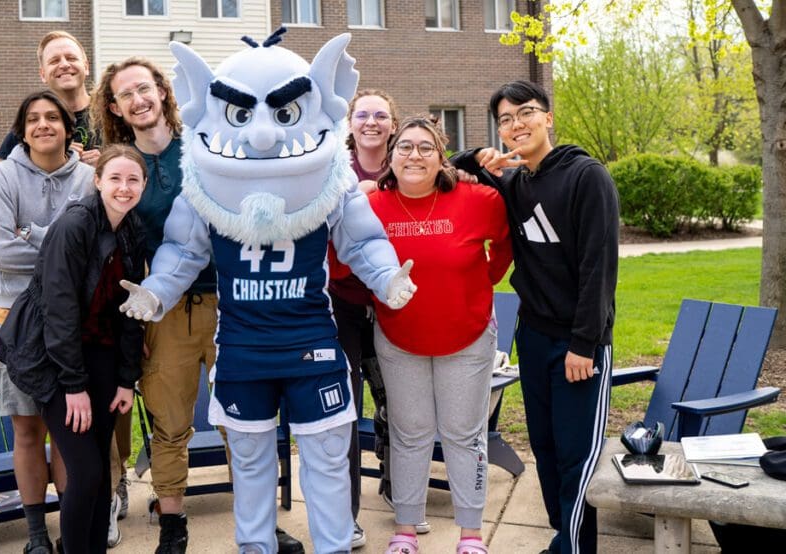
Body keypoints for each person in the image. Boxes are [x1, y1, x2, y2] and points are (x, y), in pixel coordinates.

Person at [119, 31, 417, 554]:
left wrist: (388, 278)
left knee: (325, 460)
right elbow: (182, 252)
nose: (260, 136)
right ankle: (255, 546)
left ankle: (331, 545)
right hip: (242, 347)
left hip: (312, 345)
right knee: (252, 463)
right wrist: (155, 293)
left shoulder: (332, 176)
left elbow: (363, 239)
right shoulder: (202, 181)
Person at [89, 57, 305, 554]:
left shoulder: (210, 145)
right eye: (126, 94)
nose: (139, 99)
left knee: (245, 422)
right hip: (164, 309)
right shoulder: (119, 168)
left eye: (145, 88)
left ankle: (261, 523)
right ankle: (173, 523)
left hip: (233, 302)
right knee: (169, 422)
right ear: (115, 107)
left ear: (162, 92)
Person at [452, 80, 619, 554]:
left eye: (525, 113)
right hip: (535, 336)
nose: (516, 124)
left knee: (576, 454)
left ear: (548, 118)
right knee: (544, 449)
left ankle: (574, 547)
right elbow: (448, 168)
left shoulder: (588, 177)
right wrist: (481, 157)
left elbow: (599, 268)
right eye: (505, 119)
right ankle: (563, 537)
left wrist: (585, 343)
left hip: (577, 342)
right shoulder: (515, 183)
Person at [368, 116, 512, 554]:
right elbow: (347, 257)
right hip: (399, 339)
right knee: (409, 434)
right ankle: (407, 529)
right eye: (405, 147)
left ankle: (470, 534)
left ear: (440, 157)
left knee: (463, 435)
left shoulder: (478, 199)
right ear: (390, 157)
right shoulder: (373, 206)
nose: (415, 155)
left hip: (466, 339)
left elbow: (504, 244)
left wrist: (482, 282)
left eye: (425, 147)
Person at [0, 144, 147, 554]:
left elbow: (131, 310)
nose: (124, 187)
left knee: (98, 471)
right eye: (114, 178)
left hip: (99, 356)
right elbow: (58, 310)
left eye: (133, 179)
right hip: (51, 358)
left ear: (143, 186)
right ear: (97, 181)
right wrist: (73, 386)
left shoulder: (132, 231)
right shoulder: (75, 226)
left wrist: (125, 380)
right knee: (85, 472)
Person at [0, 90, 95, 554]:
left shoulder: (88, 179)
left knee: (68, 434)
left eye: (52, 118)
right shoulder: (0, 177)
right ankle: (36, 536)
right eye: (32, 119)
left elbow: (94, 249)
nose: (43, 125)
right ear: (22, 129)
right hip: (15, 326)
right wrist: (61, 245)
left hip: (71, 327)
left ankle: (70, 531)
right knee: (27, 430)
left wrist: (30, 232)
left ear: (68, 127)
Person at [328, 89, 399, 549]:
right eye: (362, 115)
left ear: (393, 124)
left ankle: (399, 489)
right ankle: (346, 514)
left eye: (381, 116)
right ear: (350, 123)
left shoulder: (411, 165)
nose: (371, 122)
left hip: (394, 301)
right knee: (346, 408)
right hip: (342, 300)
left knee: (399, 401)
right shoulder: (333, 169)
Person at [0, 31, 101, 169]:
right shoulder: (32, 123)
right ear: (43, 74)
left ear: (86, 67)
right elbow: (1, 174)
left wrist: (107, 165)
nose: (64, 65)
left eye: (71, 58)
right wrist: (50, 160)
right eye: (54, 61)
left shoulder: (112, 113)